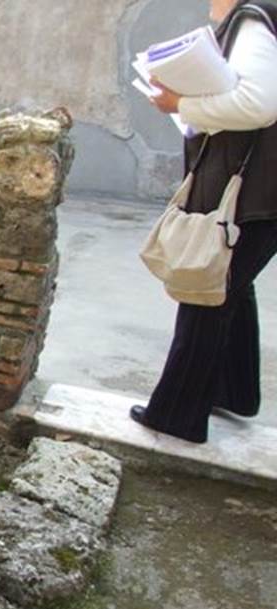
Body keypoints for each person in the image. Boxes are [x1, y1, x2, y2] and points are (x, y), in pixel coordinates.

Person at [131, 0, 277, 443]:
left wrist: (182, 103)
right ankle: (232, 392)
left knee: (204, 291)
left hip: (250, 192)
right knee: (229, 284)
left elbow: (258, 105)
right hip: (257, 194)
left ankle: (177, 415)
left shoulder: (254, 20)